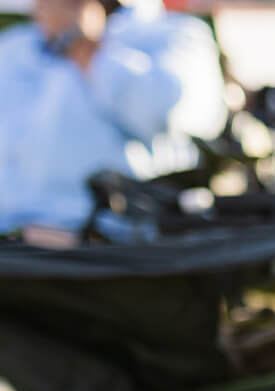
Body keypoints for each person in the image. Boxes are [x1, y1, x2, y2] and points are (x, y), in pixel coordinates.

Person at [0, 0, 226, 242]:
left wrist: (85, 47)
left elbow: (164, 112)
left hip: (110, 248)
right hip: (13, 244)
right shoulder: (15, 45)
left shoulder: (174, 34)